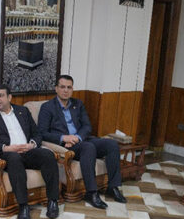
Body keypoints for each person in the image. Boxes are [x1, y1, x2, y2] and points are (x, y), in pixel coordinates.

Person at [38, 75, 127, 209]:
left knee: (112, 144)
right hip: (65, 146)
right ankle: (91, 192)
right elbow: (42, 132)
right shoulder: (47, 107)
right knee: (88, 147)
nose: (66, 90)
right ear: (56, 89)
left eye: (69, 87)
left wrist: (77, 137)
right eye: (62, 87)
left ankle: (113, 187)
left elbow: (87, 126)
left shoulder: (78, 104)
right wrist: (64, 138)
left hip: (81, 140)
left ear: (72, 89)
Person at [0, 84, 60, 219]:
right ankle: (23, 206)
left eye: (0, 96)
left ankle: (53, 201)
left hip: (28, 151)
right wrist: (7, 148)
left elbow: (37, 134)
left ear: (9, 97)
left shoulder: (23, 111)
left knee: (48, 155)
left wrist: (31, 144)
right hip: (7, 154)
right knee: (15, 158)